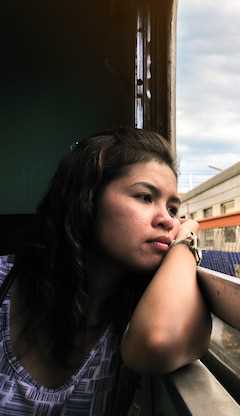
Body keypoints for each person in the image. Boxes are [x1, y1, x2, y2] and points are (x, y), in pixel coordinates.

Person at [0, 128, 211, 414]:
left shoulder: (138, 313)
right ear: (87, 198)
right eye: (145, 197)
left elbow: (158, 339)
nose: (167, 220)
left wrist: (186, 239)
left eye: (173, 210)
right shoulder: (6, 283)